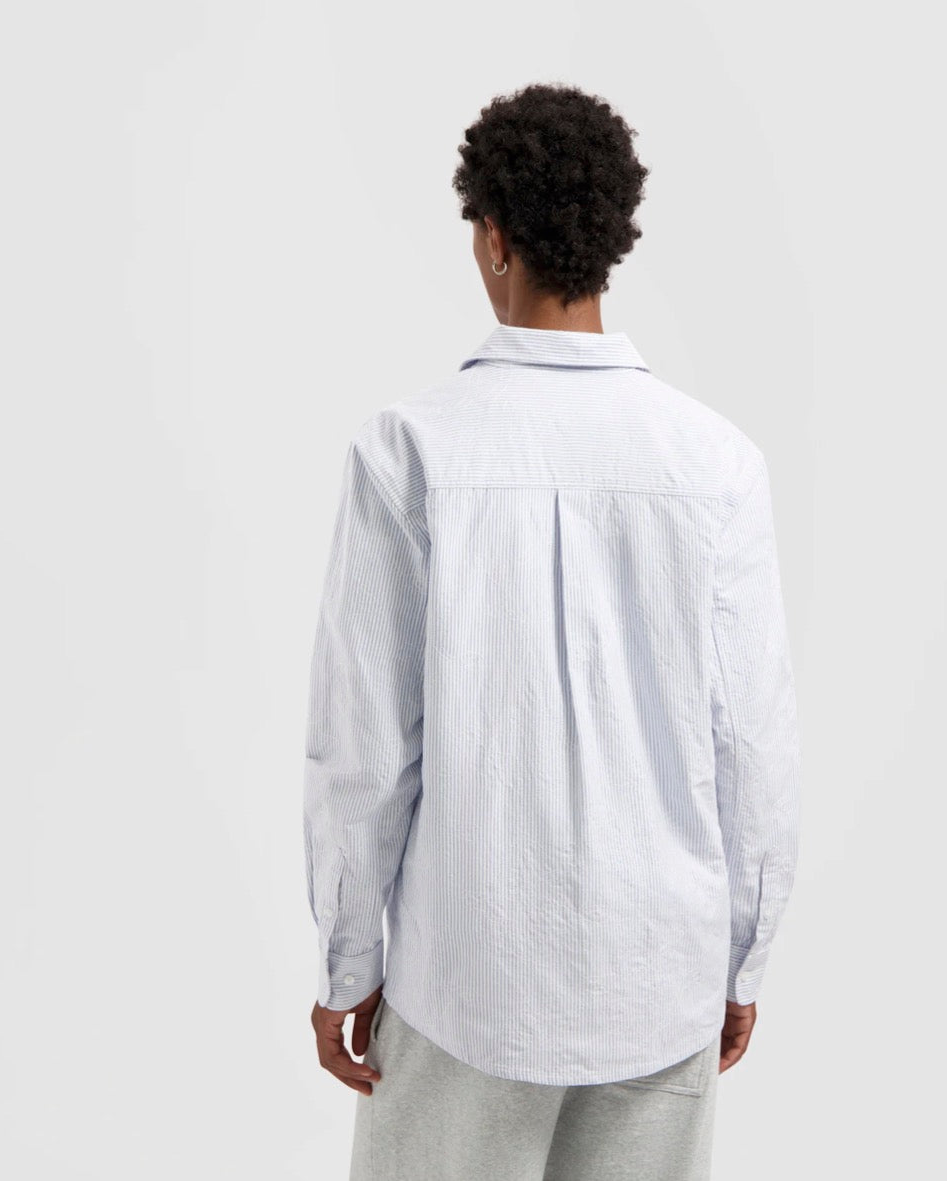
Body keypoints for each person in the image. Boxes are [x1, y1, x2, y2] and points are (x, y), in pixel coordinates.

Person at [302, 81, 802, 1181]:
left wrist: (347, 963)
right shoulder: (716, 463)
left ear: (493, 237)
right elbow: (752, 740)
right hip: (658, 973)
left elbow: (364, 750)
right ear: (611, 239)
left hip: (463, 977)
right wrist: (742, 957)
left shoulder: (407, 451)